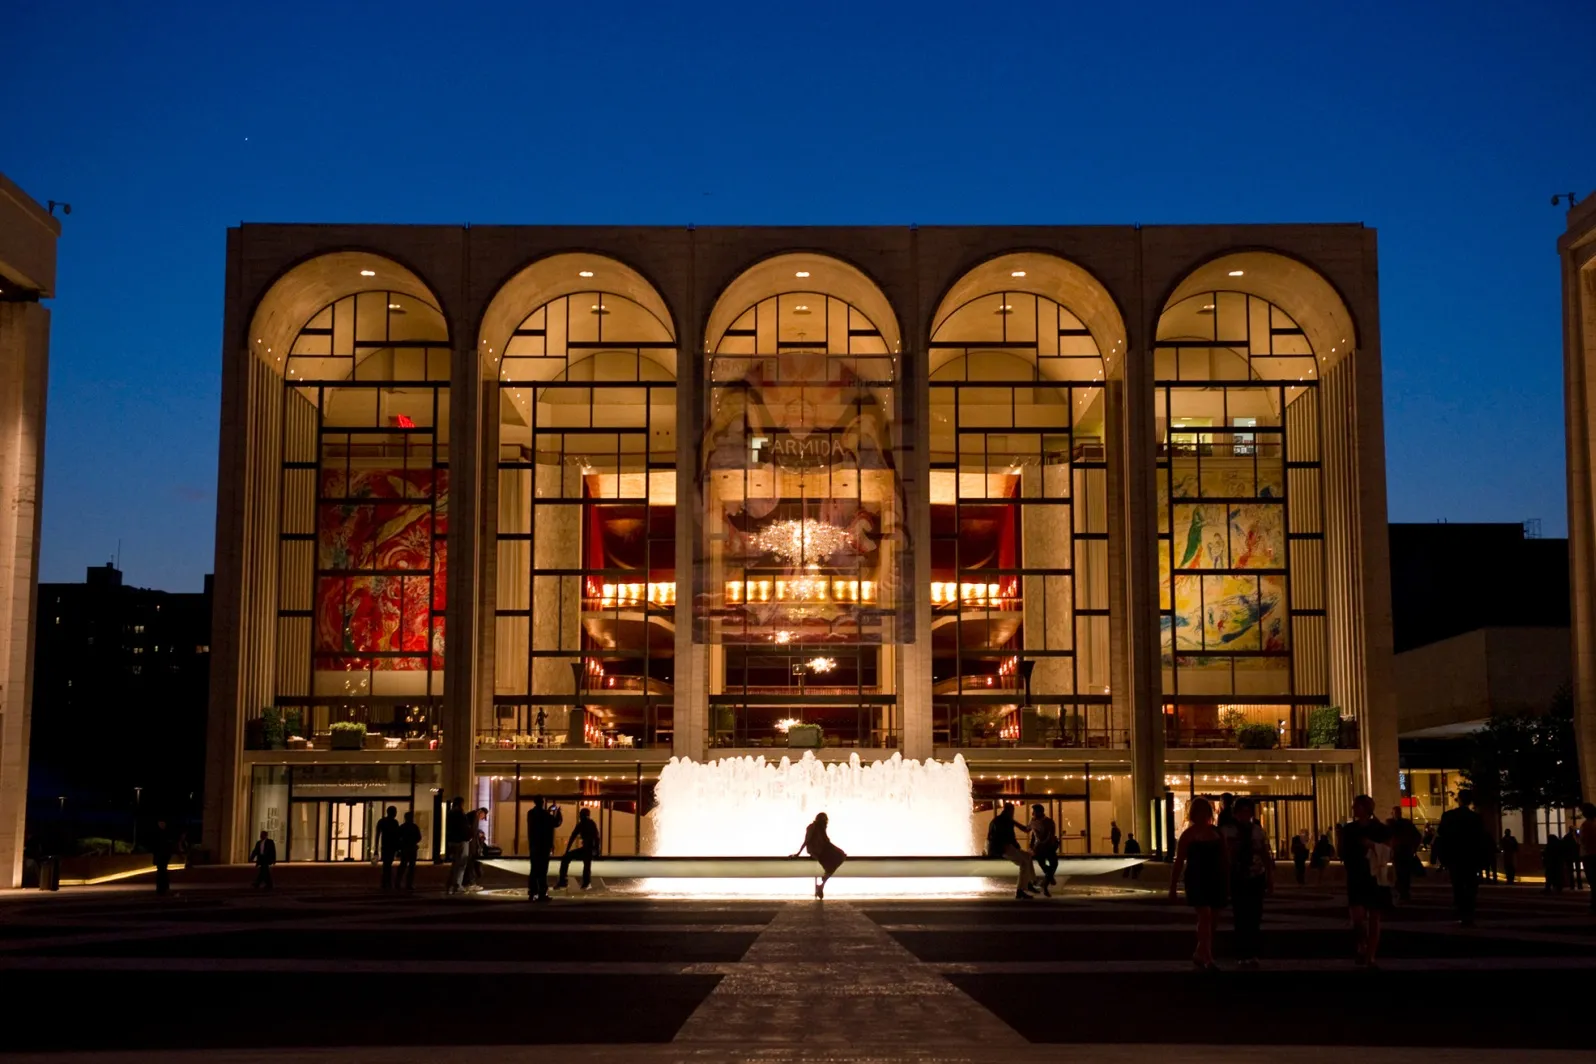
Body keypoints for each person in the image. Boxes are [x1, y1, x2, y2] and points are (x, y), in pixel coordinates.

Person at [1168, 796, 1227, 971]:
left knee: (1213, 918)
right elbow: (1179, 861)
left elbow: (1225, 858)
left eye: (1204, 812)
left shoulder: (1217, 833)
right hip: (1197, 878)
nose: (1202, 816)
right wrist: (1172, 886)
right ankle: (1208, 956)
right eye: (1198, 812)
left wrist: (1228, 878)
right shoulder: (1188, 835)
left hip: (1215, 878)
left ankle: (1200, 952)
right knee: (1205, 915)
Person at [1339, 794, 1393, 967]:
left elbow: (1389, 849)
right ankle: (1362, 946)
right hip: (1356, 874)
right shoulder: (1349, 829)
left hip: (1374, 876)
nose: (1353, 808)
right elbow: (1343, 850)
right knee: (1358, 917)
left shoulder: (1379, 828)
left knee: (1374, 917)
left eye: (1356, 806)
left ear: (1365, 808)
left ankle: (1370, 954)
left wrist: (1371, 845)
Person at [1221, 797, 1274, 968]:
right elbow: (1224, 857)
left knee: (1254, 915)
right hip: (1237, 875)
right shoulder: (1227, 831)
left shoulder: (1257, 831)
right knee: (1241, 916)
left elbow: (1265, 854)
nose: (1245, 815)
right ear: (1236, 813)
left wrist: (1270, 878)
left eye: (1247, 811)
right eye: (1241, 811)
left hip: (1255, 876)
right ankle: (1242, 952)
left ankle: (1252, 952)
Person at [1437, 789, 1487, 926]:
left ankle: (1461, 909)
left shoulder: (1449, 816)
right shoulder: (1475, 818)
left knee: (1458, 884)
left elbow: (1441, 834)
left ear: (1459, 800)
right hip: (1470, 856)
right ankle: (1468, 912)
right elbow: (1481, 839)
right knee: (1470, 885)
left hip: (1455, 856)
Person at [986, 803, 1038, 901]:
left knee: (1027, 856)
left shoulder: (1000, 819)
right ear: (1010, 811)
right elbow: (1009, 837)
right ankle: (1020, 890)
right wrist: (1016, 846)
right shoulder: (1006, 821)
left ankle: (1028, 883)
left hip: (1000, 847)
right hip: (1002, 848)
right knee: (1024, 863)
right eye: (1012, 811)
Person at [793, 811, 848, 899]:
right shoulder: (813, 827)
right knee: (838, 858)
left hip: (822, 849)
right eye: (825, 820)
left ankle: (821, 886)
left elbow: (825, 842)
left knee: (840, 857)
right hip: (817, 850)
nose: (826, 823)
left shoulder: (821, 828)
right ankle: (821, 885)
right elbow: (807, 841)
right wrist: (798, 853)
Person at [525, 796, 560, 902]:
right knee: (542, 870)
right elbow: (556, 823)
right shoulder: (545, 815)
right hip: (544, 846)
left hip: (534, 845)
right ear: (542, 802)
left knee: (534, 869)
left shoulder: (530, 813)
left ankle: (532, 892)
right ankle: (542, 893)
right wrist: (558, 812)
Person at [557, 807, 600, 890]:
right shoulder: (586, 824)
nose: (581, 817)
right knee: (584, 863)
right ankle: (584, 883)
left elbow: (573, 837)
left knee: (585, 863)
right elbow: (573, 837)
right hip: (588, 849)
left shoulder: (586, 824)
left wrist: (596, 850)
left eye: (581, 815)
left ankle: (565, 881)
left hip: (590, 849)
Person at [1386, 806, 1422, 904]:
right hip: (1403, 851)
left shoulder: (1393, 824)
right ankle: (1403, 892)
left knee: (1401, 872)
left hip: (1401, 851)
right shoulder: (1404, 823)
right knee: (1402, 872)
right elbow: (1417, 835)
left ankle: (1403, 892)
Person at [1028, 804, 1060, 897]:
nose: (1032, 813)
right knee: (1047, 865)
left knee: (1053, 864)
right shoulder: (1033, 821)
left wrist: (1041, 844)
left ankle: (1046, 883)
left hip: (1048, 847)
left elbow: (1049, 836)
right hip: (1039, 848)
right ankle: (1048, 881)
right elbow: (1033, 835)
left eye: (1034, 811)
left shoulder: (1048, 822)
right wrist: (1032, 846)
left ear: (1040, 812)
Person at [444, 797, 471, 894]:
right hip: (461, 841)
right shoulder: (460, 813)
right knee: (461, 864)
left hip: (452, 841)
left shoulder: (450, 813)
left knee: (455, 864)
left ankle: (450, 885)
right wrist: (469, 836)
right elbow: (464, 827)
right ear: (461, 803)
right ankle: (457, 884)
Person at [374, 806, 402, 889]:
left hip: (385, 845)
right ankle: (387, 882)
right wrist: (398, 847)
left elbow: (378, 835)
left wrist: (376, 847)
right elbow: (397, 835)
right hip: (391, 846)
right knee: (388, 864)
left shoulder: (382, 821)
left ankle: (385, 882)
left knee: (386, 864)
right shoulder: (394, 822)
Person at [395, 811, 422, 890]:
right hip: (412, 848)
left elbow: (397, 838)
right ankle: (408, 884)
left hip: (405, 848)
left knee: (403, 866)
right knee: (411, 867)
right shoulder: (414, 827)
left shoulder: (402, 827)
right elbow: (419, 837)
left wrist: (399, 847)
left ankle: (398, 883)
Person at [150, 818, 174, 895]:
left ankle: (163, 888)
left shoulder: (164, 834)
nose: (162, 825)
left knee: (162, 872)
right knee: (161, 872)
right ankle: (162, 888)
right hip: (161, 856)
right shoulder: (159, 834)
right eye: (161, 823)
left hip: (163, 856)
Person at [1579, 804, 1596, 911]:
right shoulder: (1592, 824)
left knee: (1593, 881)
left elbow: (1585, 841)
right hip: (1591, 855)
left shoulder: (1586, 825)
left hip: (1590, 855)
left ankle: (1594, 904)